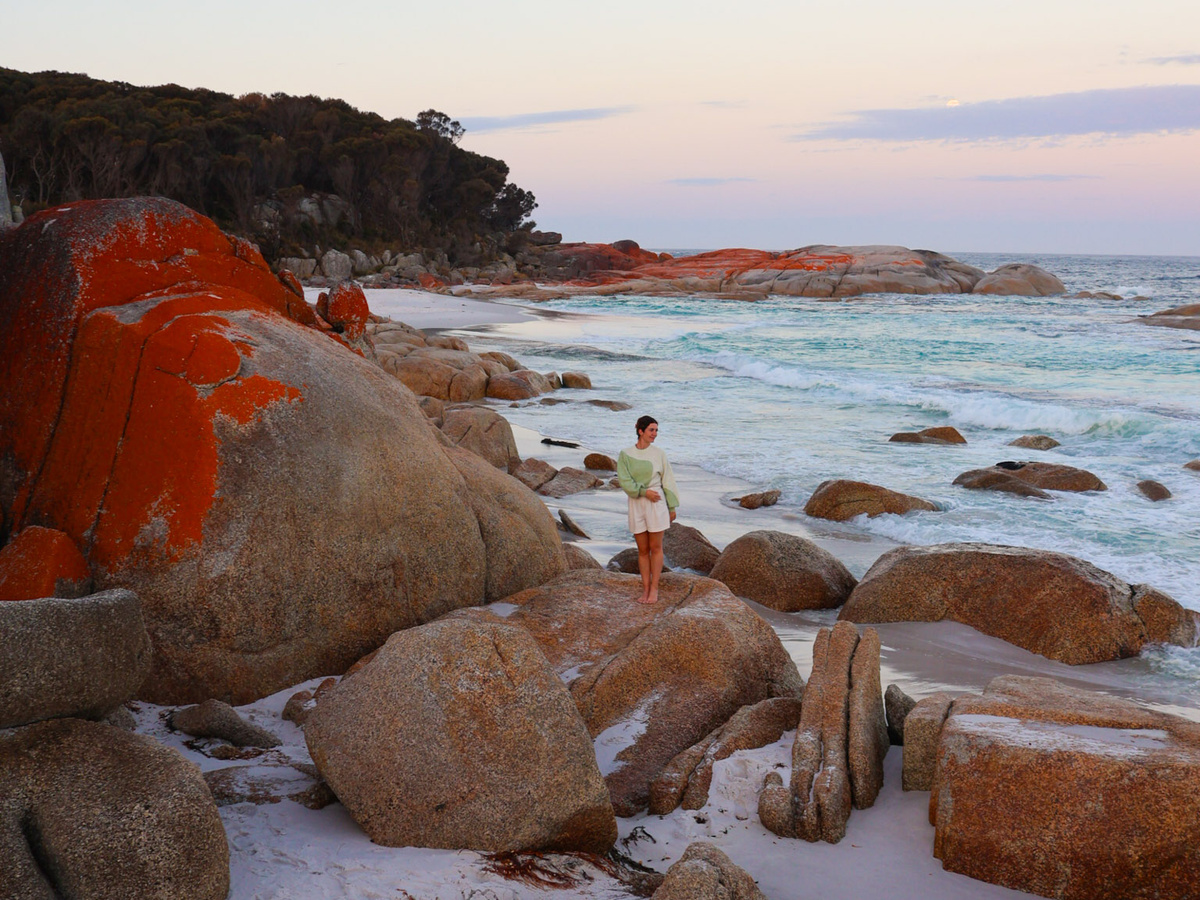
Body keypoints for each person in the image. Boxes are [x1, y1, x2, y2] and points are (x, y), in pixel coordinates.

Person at [617, 415, 679, 604]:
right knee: (642, 549)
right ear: (640, 431)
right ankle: (645, 589)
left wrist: (672, 505)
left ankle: (654, 589)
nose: (655, 434)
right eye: (651, 430)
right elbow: (625, 482)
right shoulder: (625, 455)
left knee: (656, 547)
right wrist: (644, 492)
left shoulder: (659, 453)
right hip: (637, 503)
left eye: (656, 430)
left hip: (657, 502)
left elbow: (668, 480)